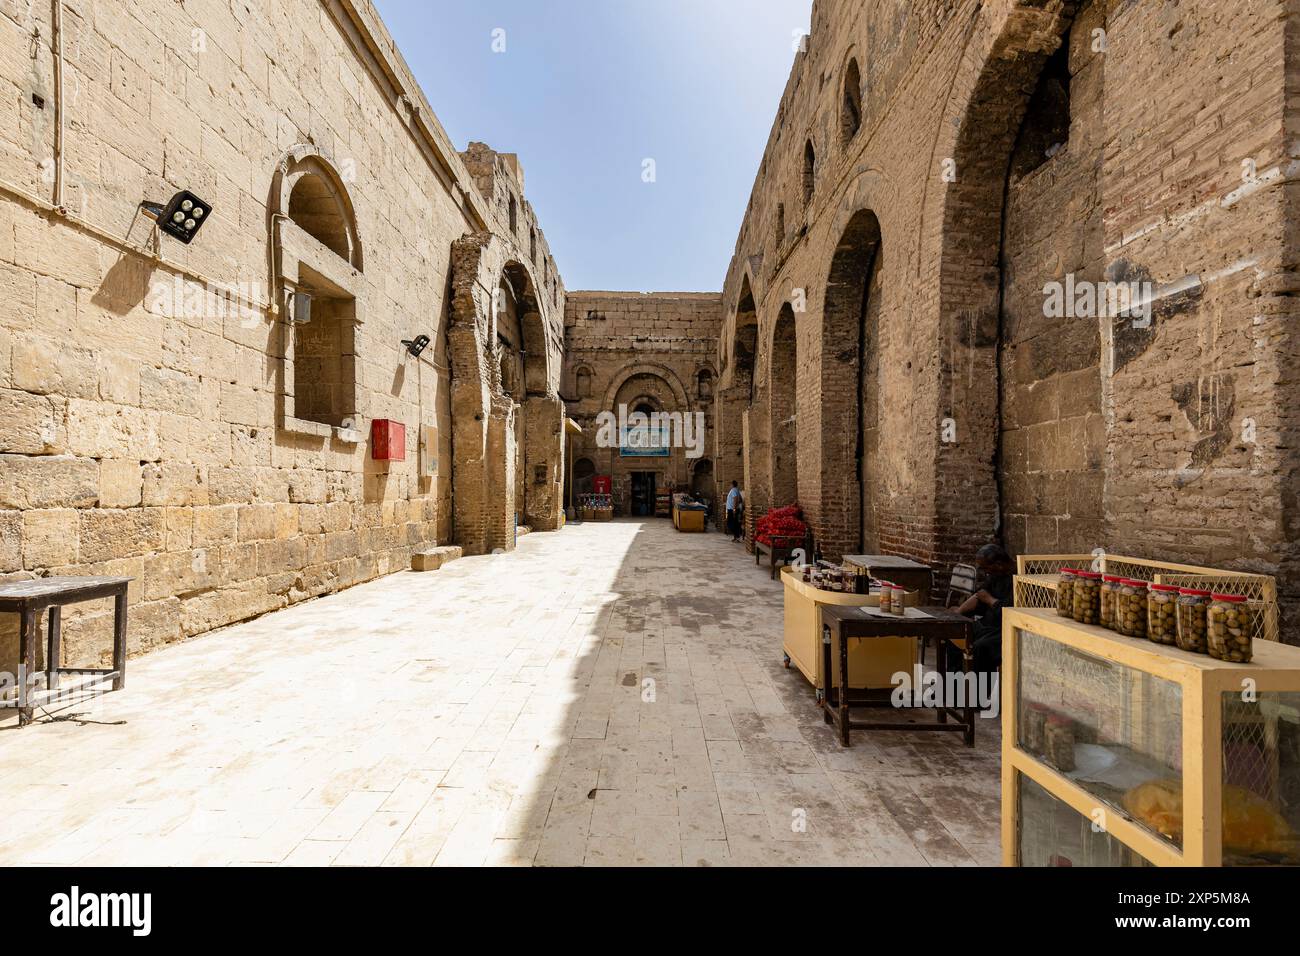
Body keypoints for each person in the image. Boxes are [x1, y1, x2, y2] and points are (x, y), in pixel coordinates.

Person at [950, 543, 1015, 676]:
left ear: (998, 564)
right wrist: (960, 611)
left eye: (987, 568)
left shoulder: (1019, 578)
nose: (986, 572)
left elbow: (1010, 612)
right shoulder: (995, 575)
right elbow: (980, 595)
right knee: (955, 636)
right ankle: (952, 687)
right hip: (987, 624)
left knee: (981, 647)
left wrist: (990, 600)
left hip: (1003, 629)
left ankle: (978, 693)